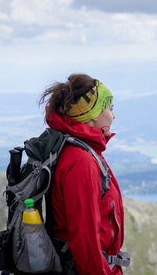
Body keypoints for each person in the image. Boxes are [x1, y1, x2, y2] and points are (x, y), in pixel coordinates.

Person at [39, 74, 126, 275]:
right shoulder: (82, 161)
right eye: (110, 109)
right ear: (93, 114)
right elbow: (85, 243)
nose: (113, 116)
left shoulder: (79, 150)